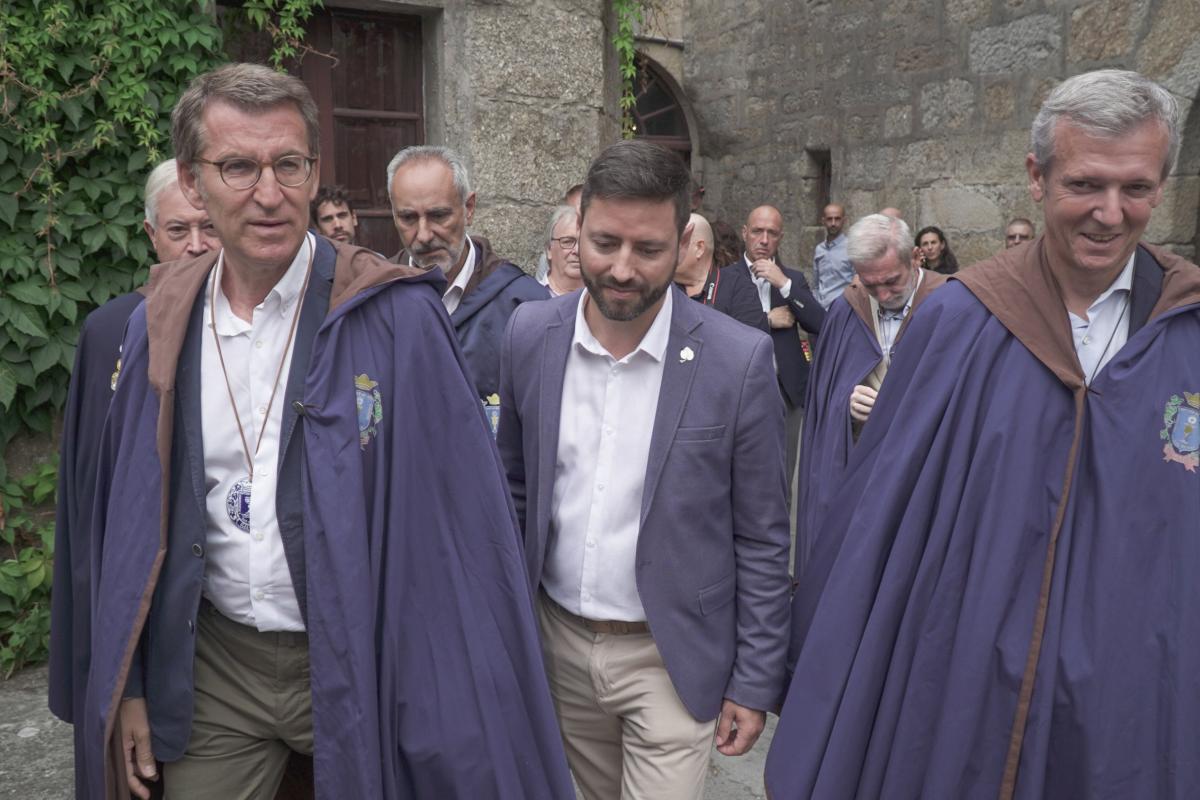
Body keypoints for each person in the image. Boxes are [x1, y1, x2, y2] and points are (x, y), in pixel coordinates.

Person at [78, 62, 572, 800]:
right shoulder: (163, 318)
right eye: (238, 167)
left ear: (313, 173)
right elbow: (129, 529)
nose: (269, 193)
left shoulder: (394, 315)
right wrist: (135, 683)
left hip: (360, 658)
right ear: (192, 181)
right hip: (216, 663)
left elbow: (462, 525)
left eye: (289, 165)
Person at [767, 69, 1200, 798]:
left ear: (1161, 186)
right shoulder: (962, 320)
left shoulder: (1187, 330)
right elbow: (880, 514)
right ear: (1037, 176)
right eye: (1085, 184)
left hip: (1132, 690)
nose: (1110, 212)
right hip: (968, 682)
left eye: (1136, 187)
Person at [498, 139, 792, 800]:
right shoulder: (529, 336)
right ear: (577, 231)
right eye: (605, 243)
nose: (623, 269)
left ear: (684, 242)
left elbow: (763, 537)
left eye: (648, 249)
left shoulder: (737, 360)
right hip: (555, 649)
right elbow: (514, 489)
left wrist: (753, 680)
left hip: (672, 658)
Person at [49, 158, 220, 796]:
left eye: (208, 227)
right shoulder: (110, 332)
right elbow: (92, 507)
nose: (196, 245)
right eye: (179, 230)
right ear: (151, 236)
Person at [791, 213, 945, 579]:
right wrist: (845, 405)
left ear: (916, 258)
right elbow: (825, 396)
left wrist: (899, 409)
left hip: (925, 478)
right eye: (871, 285)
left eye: (892, 281)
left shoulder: (950, 304)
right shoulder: (847, 309)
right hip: (861, 473)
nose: (884, 296)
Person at [387, 145, 547, 428]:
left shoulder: (525, 306)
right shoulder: (376, 298)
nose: (423, 235)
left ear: (469, 208)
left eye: (439, 215)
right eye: (408, 218)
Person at [733, 205, 825, 497]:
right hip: (739, 389)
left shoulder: (792, 279)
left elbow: (820, 323)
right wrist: (766, 320)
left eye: (771, 233)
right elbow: (718, 325)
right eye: (757, 231)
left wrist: (783, 284)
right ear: (745, 233)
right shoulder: (726, 278)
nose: (764, 240)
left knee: (782, 479)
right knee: (739, 474)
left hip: (786, 390)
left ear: (780, 238)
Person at [673, 212, 766, 331]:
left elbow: (748, 339)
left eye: (674, 243)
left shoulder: (737, 288)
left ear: (699, 248)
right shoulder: (662, 287)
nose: (665, 251)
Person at [812, 203, 854, 308]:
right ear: (823, 221)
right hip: (821, 309)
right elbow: (816, 284)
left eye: (837, 219)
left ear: (844, 220)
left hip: (843, 309)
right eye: (829, 219)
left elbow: (857, 283)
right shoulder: (819, 249)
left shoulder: (851, 248)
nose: (833, 223)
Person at [543, 204, 583, 296]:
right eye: (568, 242)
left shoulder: (604, 300)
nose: (577, 250)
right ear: (549, 249)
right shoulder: (529, 297)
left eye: (583, 242)